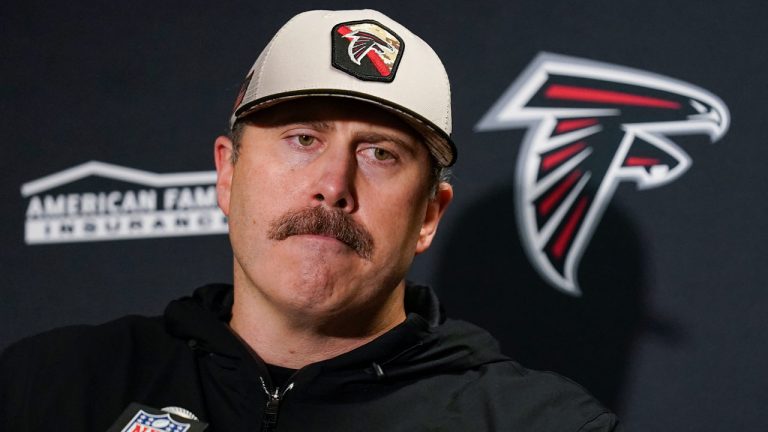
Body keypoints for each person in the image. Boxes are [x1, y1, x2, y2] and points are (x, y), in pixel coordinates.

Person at [0, 9, 621, 431]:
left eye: (381, 153)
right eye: (302, 138)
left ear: (429, 215)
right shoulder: (54, 388)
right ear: (227, 172)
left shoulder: (539, 423)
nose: (333, 186)